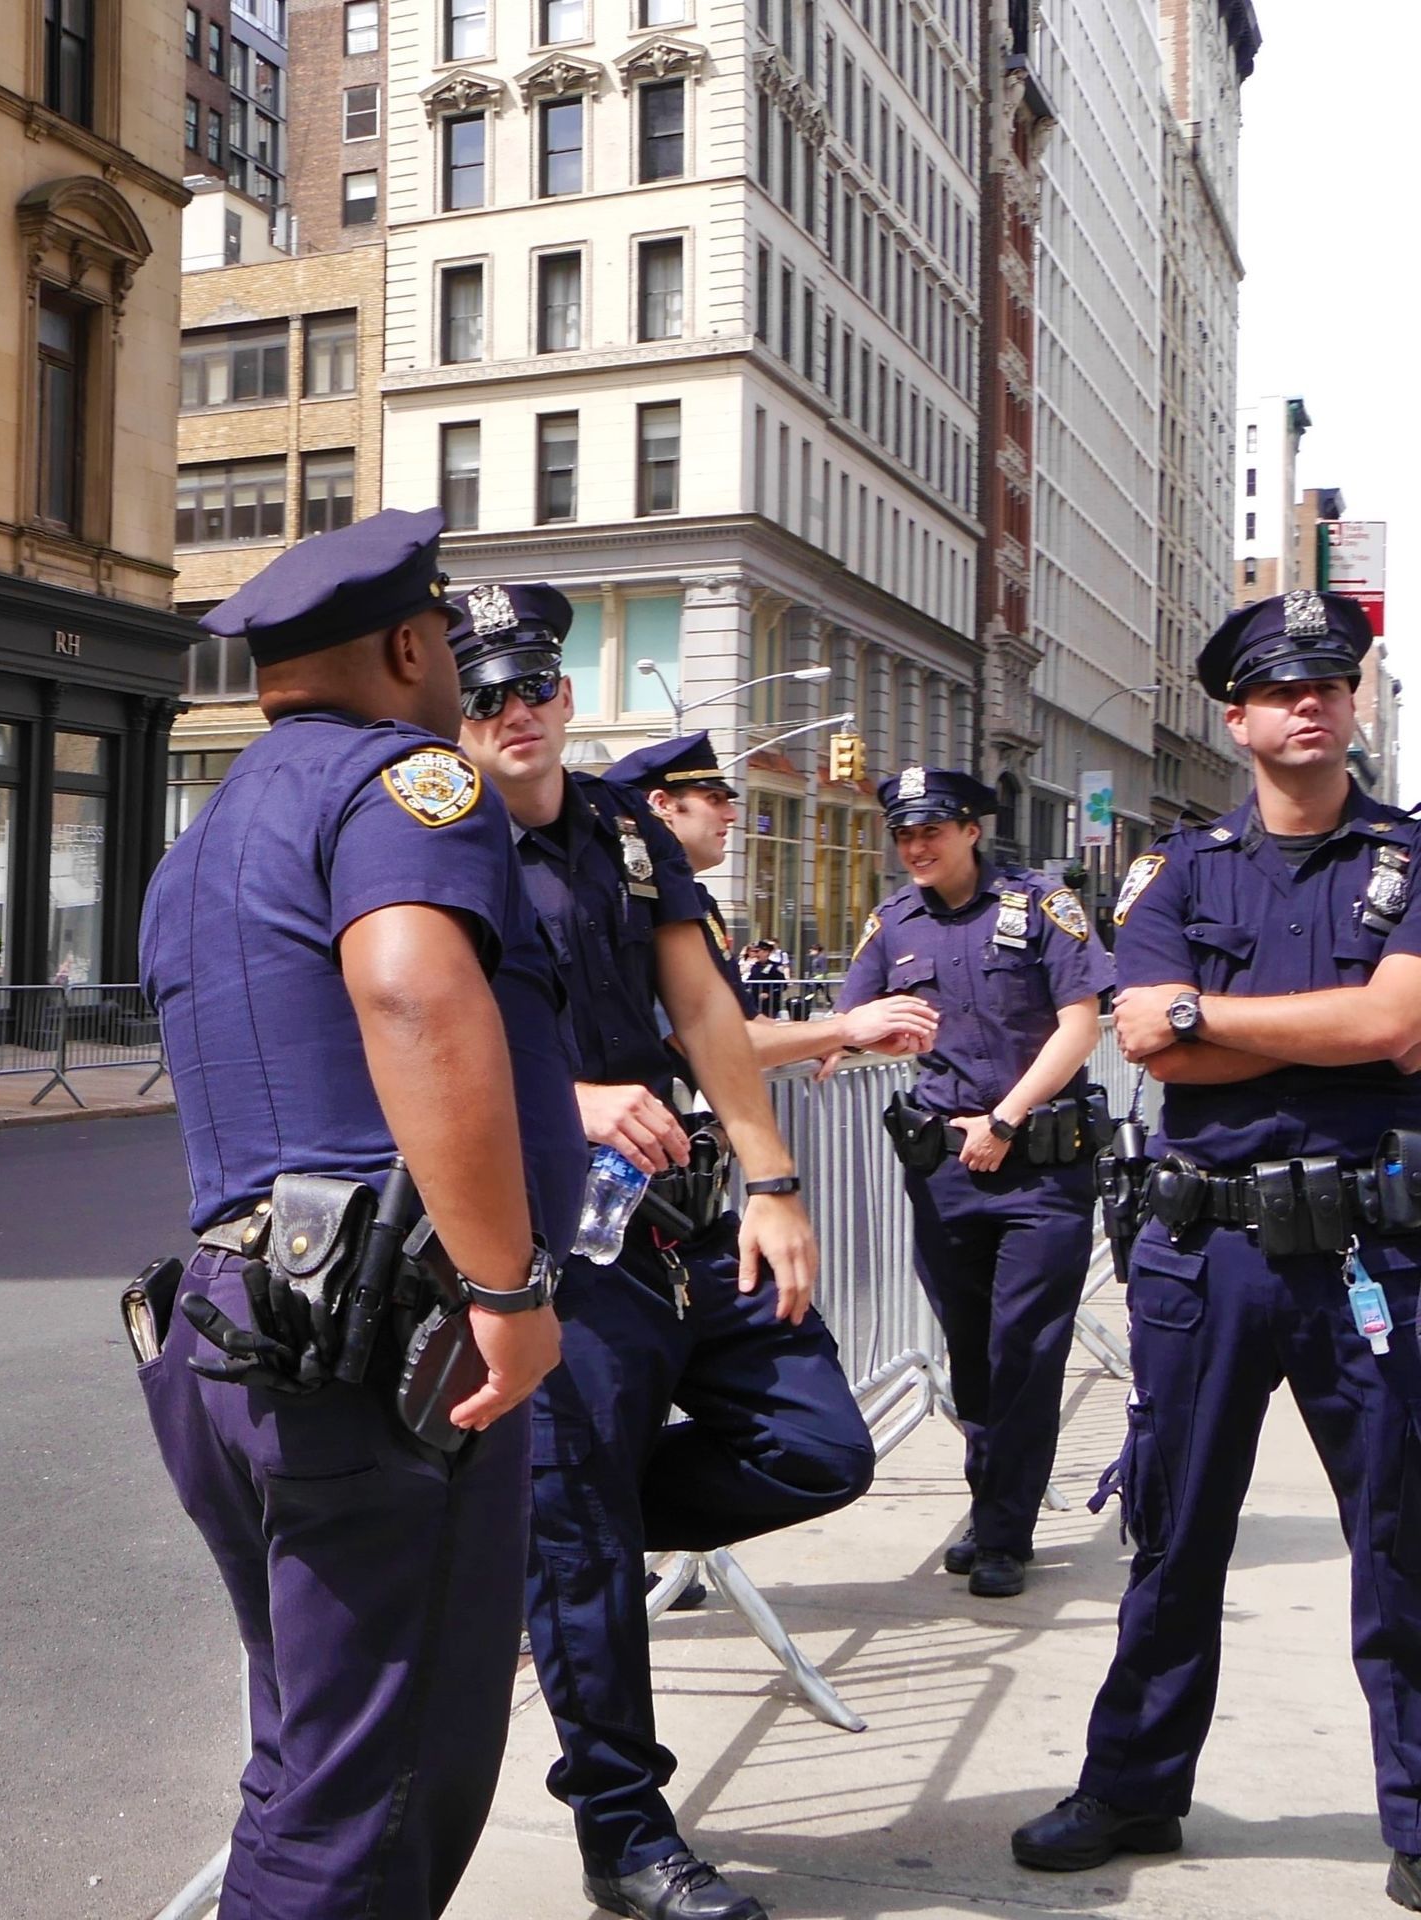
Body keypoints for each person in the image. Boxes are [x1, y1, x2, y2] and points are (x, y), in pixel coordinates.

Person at [136, 510, 586, 1920]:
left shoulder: (204, 842)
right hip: (379, 1358)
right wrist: (507, 1294)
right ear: (407, 645)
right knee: (378, 1799)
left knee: (308, 1768)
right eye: (450, 640)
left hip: (235, 1335)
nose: (461, 665)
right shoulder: (411, 787)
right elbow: (407, 988)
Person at [451, 583, 877, 1920]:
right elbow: (404, 1035)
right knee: (583, 1553)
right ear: (454, 717)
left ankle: (563, 1531)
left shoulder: (629, 832)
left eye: (533, 690)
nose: (514, 715)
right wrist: (563, 1101)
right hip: (553, 1241)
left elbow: (703, 1006)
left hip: (680, 1229)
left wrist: (775, 1180)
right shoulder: (428, 844)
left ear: (567, 699)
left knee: (818, 1447)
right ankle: (628, 1839)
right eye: (484, 696)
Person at [1010, 590, 1421, 1910]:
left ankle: (1416, 1818)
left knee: (1403, 1541)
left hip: (1370, 1252)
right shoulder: (1178, 874)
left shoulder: (1409, 861)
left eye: (1333, 683)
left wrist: (1216, 1013)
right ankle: (1134, 1791)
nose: (1313, 703)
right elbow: (1144, 1037)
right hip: (1210, 1255)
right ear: (1235, 718)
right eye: (1283, 688)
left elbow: (1398, 1032)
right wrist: (1317, 1017)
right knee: (1174, 1536)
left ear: (1353, 704)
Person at [836, 767, 1112, 1596]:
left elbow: (1081, 1024)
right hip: (946, 1172)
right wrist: (855, 1041)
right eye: (906, 834)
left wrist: (1008, 1118)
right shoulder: (893, 922)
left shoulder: (1040, 909)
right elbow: (856, 1026)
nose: (916, 847)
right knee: (972, 1352)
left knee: (1024, 1347)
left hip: (1039, 1169)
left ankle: (1003, 1533)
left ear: (971, 831)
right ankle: (992, 1505)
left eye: (932, 830)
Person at [606, 730, 937, 1069]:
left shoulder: (695, 901)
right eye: (714, 799)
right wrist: (843, 1029)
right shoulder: (627, 901)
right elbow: (712, 1040)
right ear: (662, 804)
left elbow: (749, 1026)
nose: (731, 815)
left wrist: (842, 1039)